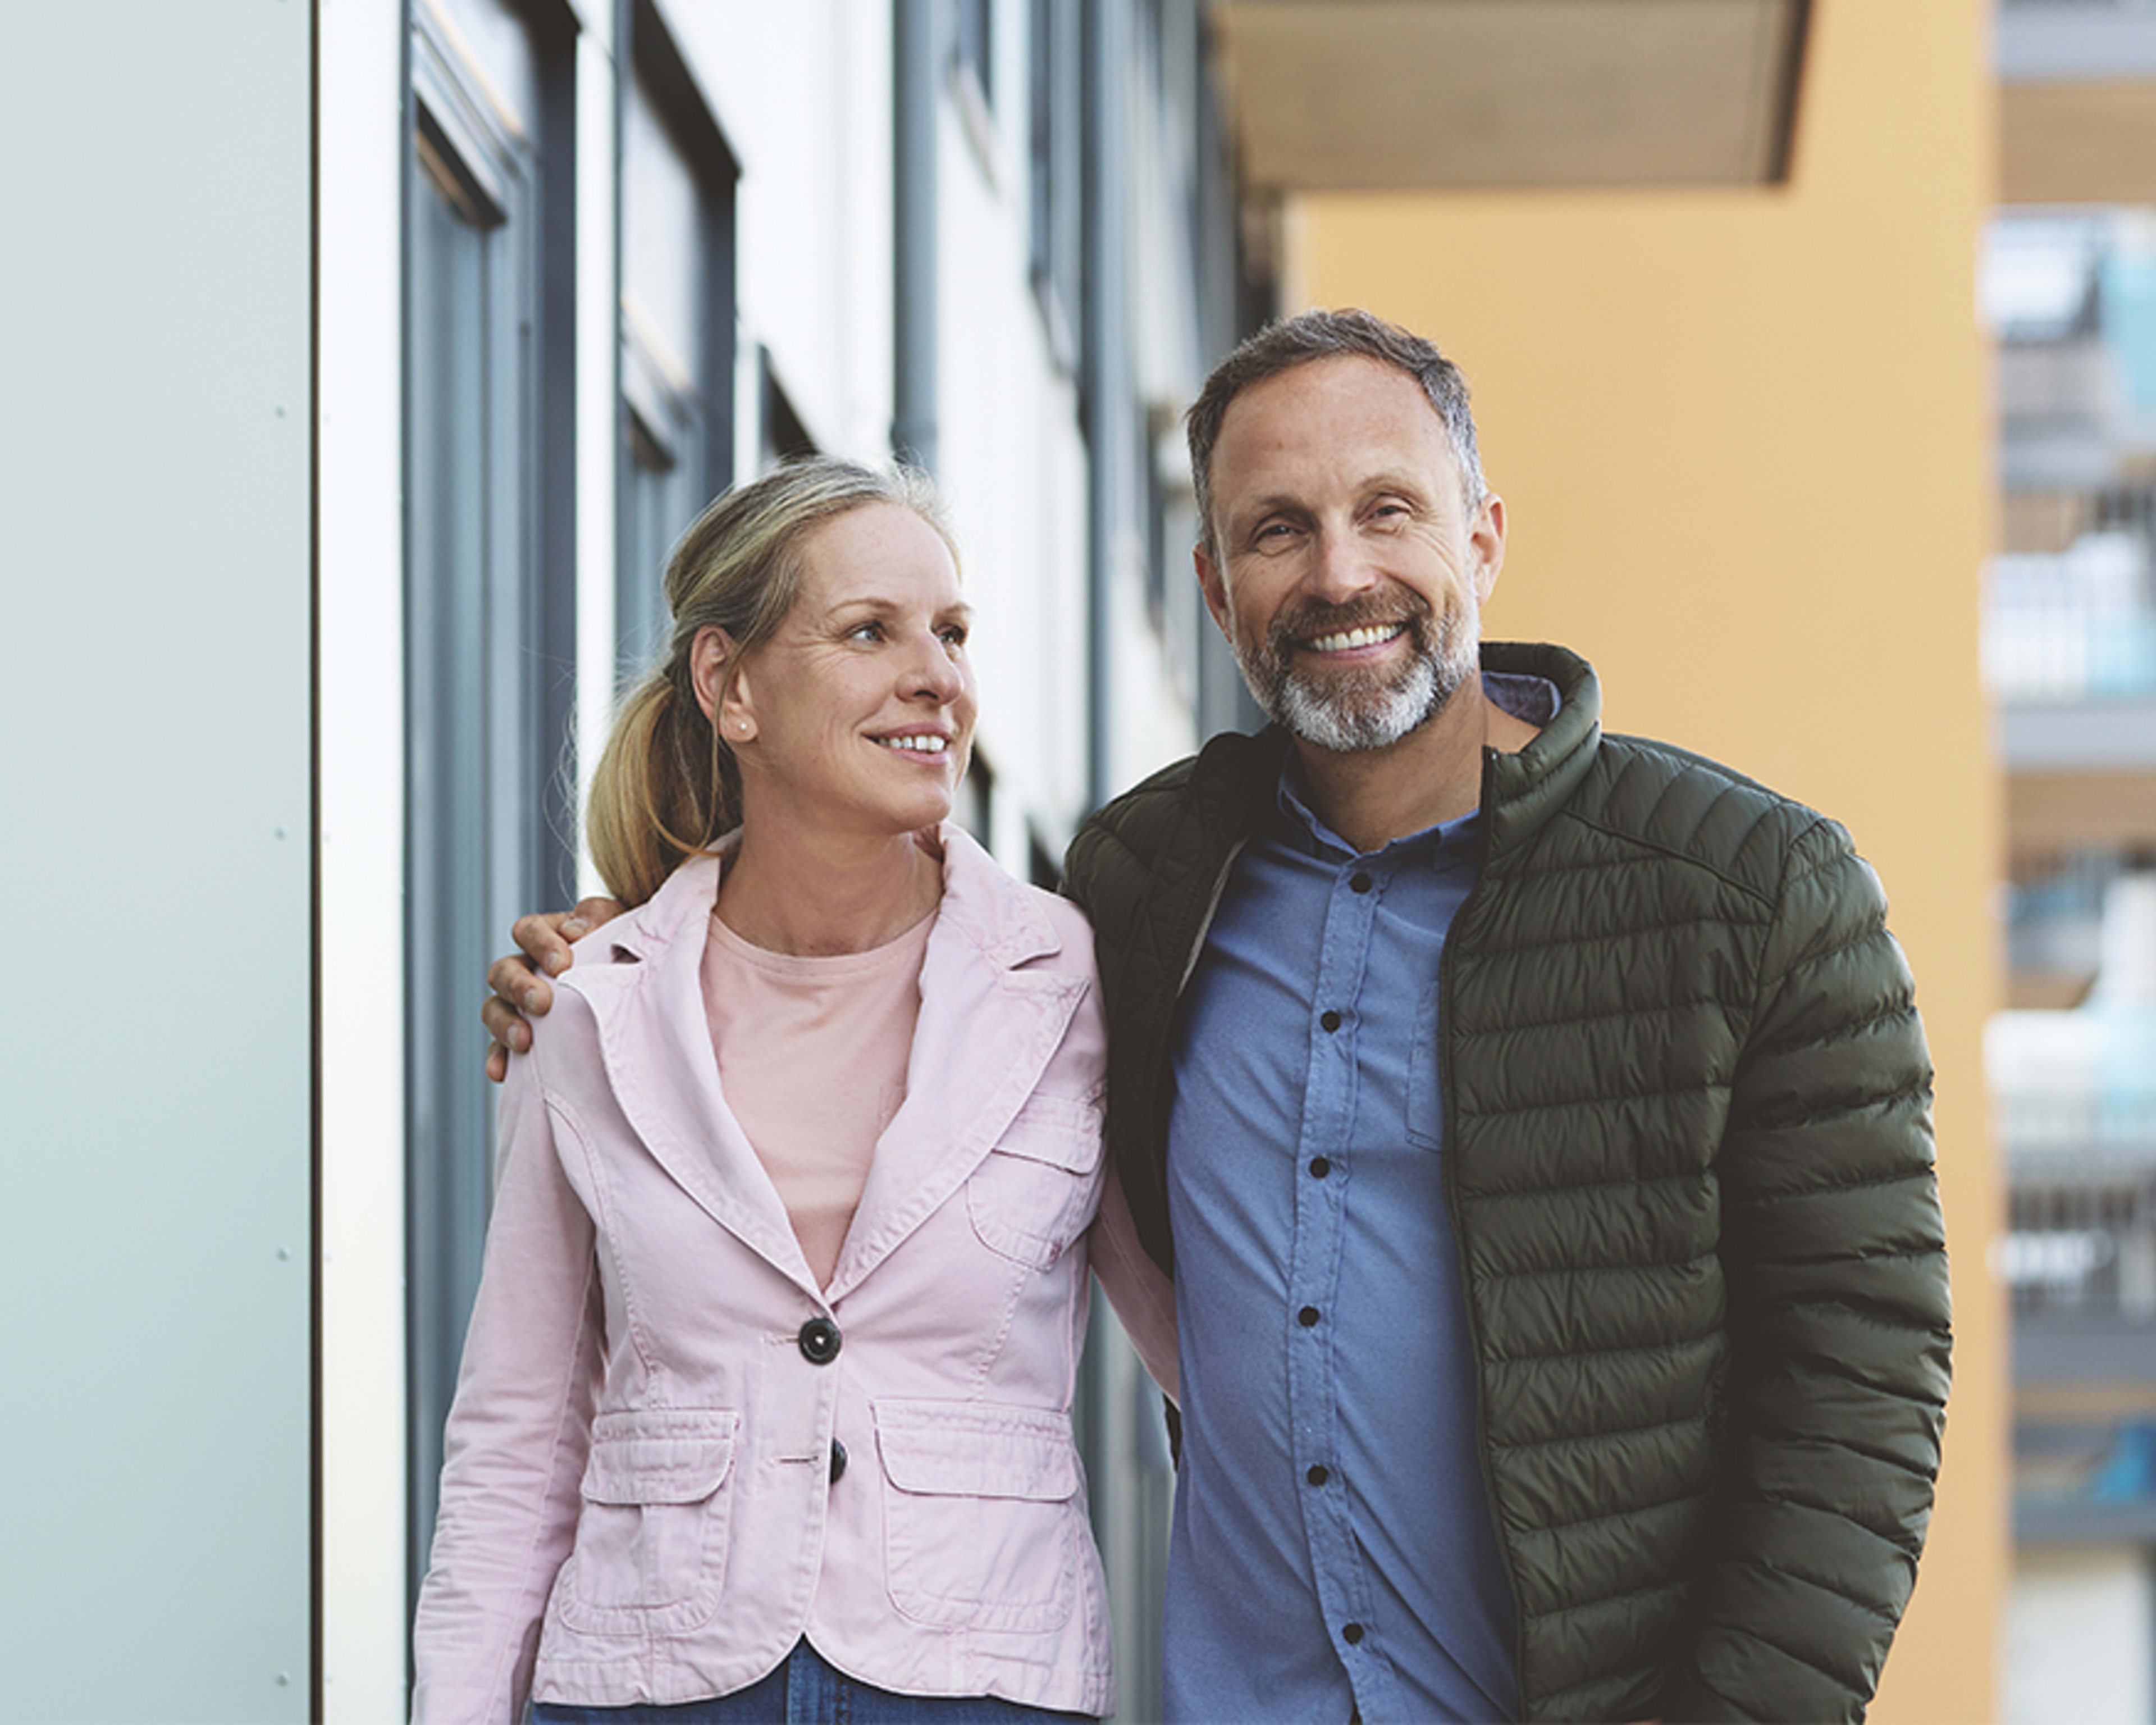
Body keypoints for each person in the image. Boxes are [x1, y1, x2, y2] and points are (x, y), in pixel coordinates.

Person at [488, 311, 1951, 1725]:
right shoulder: (1137, 888)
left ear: (1485, 539)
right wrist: (635, 950)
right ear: (1213, 584)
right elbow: (878, 959)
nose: (1339, 573)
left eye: (1390, 511)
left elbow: (1865, 1384)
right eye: (1277, 529)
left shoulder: (1754, 894)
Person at [421, 458, 1174, 1725]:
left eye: (950, 633)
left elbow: (1209, 1369)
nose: (936, 674)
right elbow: (516, 1438)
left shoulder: (1067, 983)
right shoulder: (591, 1003)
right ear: (730, 685)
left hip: (979, 1681)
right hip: (651, 1683)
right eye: (870, 631)